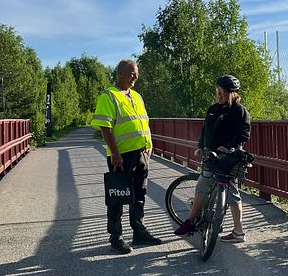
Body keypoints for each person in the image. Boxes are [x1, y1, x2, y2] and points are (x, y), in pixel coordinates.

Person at [91, 59, 162, 254]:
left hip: (141, 153)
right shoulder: (109, 96)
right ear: (120, 74)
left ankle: (138, 231)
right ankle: (116, 237)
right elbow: (105, 127)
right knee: (118, 196)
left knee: (139, 194)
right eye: (132, 73)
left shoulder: (137, 96)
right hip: (121, 156)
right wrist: (115, 153)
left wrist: (149, 143)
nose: (135, 76)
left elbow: (143, 123)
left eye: (136, 73)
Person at [174, 75, 251, 243]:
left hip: (229, 160)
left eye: (222, 92)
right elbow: (205, 130)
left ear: (232, 93)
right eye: (217, 91)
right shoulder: (213, 109)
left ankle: (238, 232)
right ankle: (190, 222)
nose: (219, 95)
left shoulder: (240, 111)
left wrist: (230, 147)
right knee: (202, 187)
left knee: (233, 195)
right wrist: (200, 147)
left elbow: (243, 134)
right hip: (211, 157)